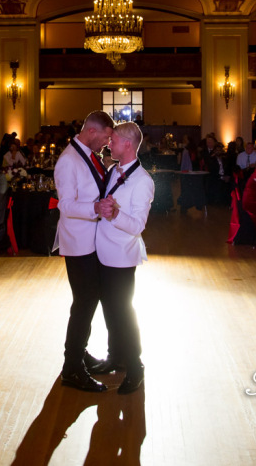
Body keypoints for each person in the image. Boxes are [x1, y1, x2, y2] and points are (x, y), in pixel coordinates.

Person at [88, 121, 154, 394]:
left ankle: (135, 366)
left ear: (127, 144)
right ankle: (115, 356)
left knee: (123, 311)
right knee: (109, 308)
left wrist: (115, 214)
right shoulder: (114, 171)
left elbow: (138, 225)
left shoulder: (143, 181)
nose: (109, 143)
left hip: (122, 253)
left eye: (113, 140)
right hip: (102, 249)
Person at [54, 110, 115, 392]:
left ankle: (79, 354)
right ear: (91, 131)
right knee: (84, 302)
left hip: (91, 240)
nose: (106, 143)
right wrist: (94, 208)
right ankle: (71, 367)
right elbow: (64, 205)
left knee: (88, 300)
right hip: (77, 243)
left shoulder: (86, 156)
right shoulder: (68, 161)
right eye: (105, 137)